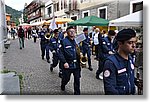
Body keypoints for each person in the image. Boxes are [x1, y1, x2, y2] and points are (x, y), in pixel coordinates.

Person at [103, 28, 137, 95]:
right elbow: (110, 89)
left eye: (135, 42)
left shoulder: (130, 59)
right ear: (120, 43)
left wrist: (136, 81)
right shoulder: (111, 62)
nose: (134, 45)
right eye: (130, 43)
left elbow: (128, 76)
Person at [58, 26, 81, 95]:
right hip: (67, 64)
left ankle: (77, 94)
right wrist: (64, 62)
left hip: (76, 65)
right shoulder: (63, 41)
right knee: (66, 79)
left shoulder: (77, 41)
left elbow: (80, 51)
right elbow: (60, 53)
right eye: (70, 31)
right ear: (67, 33)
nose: (72, 33)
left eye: (73, 31)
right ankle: (63, 84)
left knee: (77, 79)